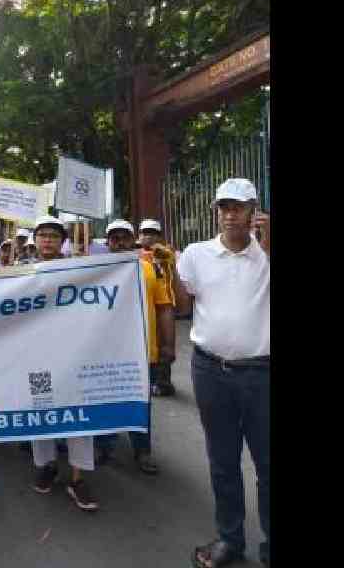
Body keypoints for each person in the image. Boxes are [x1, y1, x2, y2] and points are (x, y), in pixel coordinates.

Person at [169, 179, 270, 568]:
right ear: (217, 211)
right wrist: (168, 271)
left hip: (261, 374)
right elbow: (181, 305)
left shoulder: (265, 254)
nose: (231, 215)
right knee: (223, 461)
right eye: (224, 207)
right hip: (210, 370)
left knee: (267, 463)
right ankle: (230, 539)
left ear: (253, 211)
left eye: (239, 207)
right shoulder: (196, 254)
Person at [17, 216, 99, 511]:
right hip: (36, 357)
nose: (48, 240)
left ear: (62, 240)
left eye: (54, 235)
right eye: (43, 235)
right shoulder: (20, 272)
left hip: (72, 354)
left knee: (78, 413)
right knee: (41, 411)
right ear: (35, 239)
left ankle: (77, 478)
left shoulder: (77, 268)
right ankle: (47, 465)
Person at [94, 219, 174, 475]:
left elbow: (164, 309)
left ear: (133, 241)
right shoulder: (93, 271)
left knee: (140, 405)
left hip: (142, 352)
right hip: (103, 353)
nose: (119, 242)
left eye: (124, 237)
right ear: (107, 243)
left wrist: (168, 346)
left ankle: (143, 451)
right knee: (104, 402)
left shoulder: (151, 269)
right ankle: (103, 447)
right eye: (114, 238)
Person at [137, 218, 178, 396]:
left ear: (159, 236)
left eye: (153, 233)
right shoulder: (135, 256)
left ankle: (163, 381)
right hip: (147, 307)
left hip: (166, 304)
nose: (149, 237)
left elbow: (170, 264)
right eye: (145, 233)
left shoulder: (166, 254)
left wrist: (164, 257)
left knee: (164, 346)